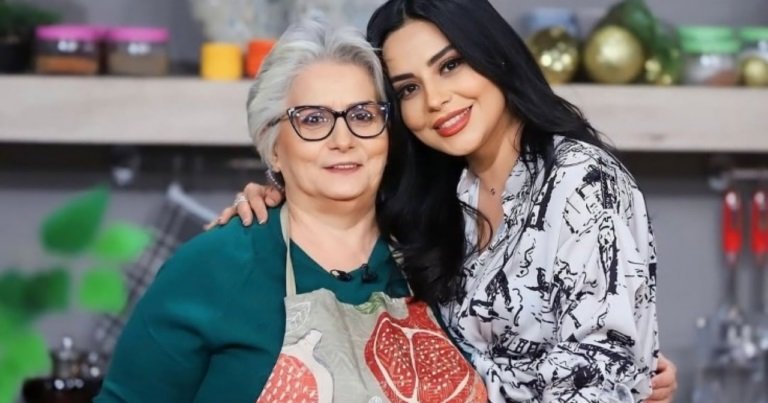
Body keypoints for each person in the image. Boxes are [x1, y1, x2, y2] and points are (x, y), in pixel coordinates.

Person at [212, 0, 681, 402]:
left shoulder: (581, 180)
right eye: (409, 88)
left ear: (493, 55)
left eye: (450, 65)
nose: (435, 99)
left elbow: (604, 377)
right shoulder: (435, 190)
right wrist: (276, 192)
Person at [95, 17, 488, 403]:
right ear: (274, 147)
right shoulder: (213, 267)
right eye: (313, 119)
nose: (343, 139)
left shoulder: (438, 255)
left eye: (363, 115)